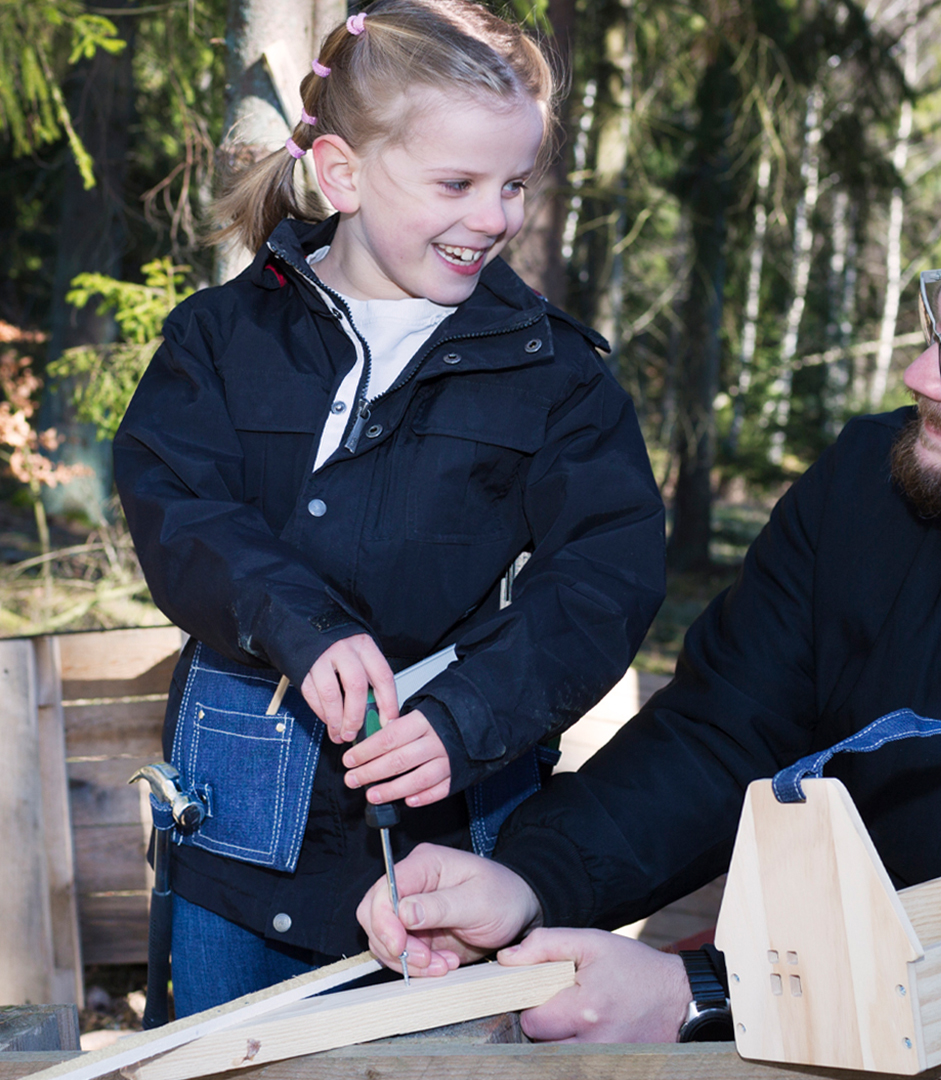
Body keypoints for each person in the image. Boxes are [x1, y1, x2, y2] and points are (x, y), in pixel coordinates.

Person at [359, 166, 941, 1046]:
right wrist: (528, 879)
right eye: (939, 324)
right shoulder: (868, 485)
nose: (919, 374)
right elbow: (722, 737)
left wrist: (702, 993)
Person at [113, 0, 666, 1016]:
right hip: (239, 847)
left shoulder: (556, 374)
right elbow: (176, 502)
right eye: (456, 184)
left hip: (444, 852)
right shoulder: (221, 338)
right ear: (343, 176)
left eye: (515, 186)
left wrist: (468, 716)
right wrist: (299, 624)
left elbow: (606, 574)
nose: (495, 217)